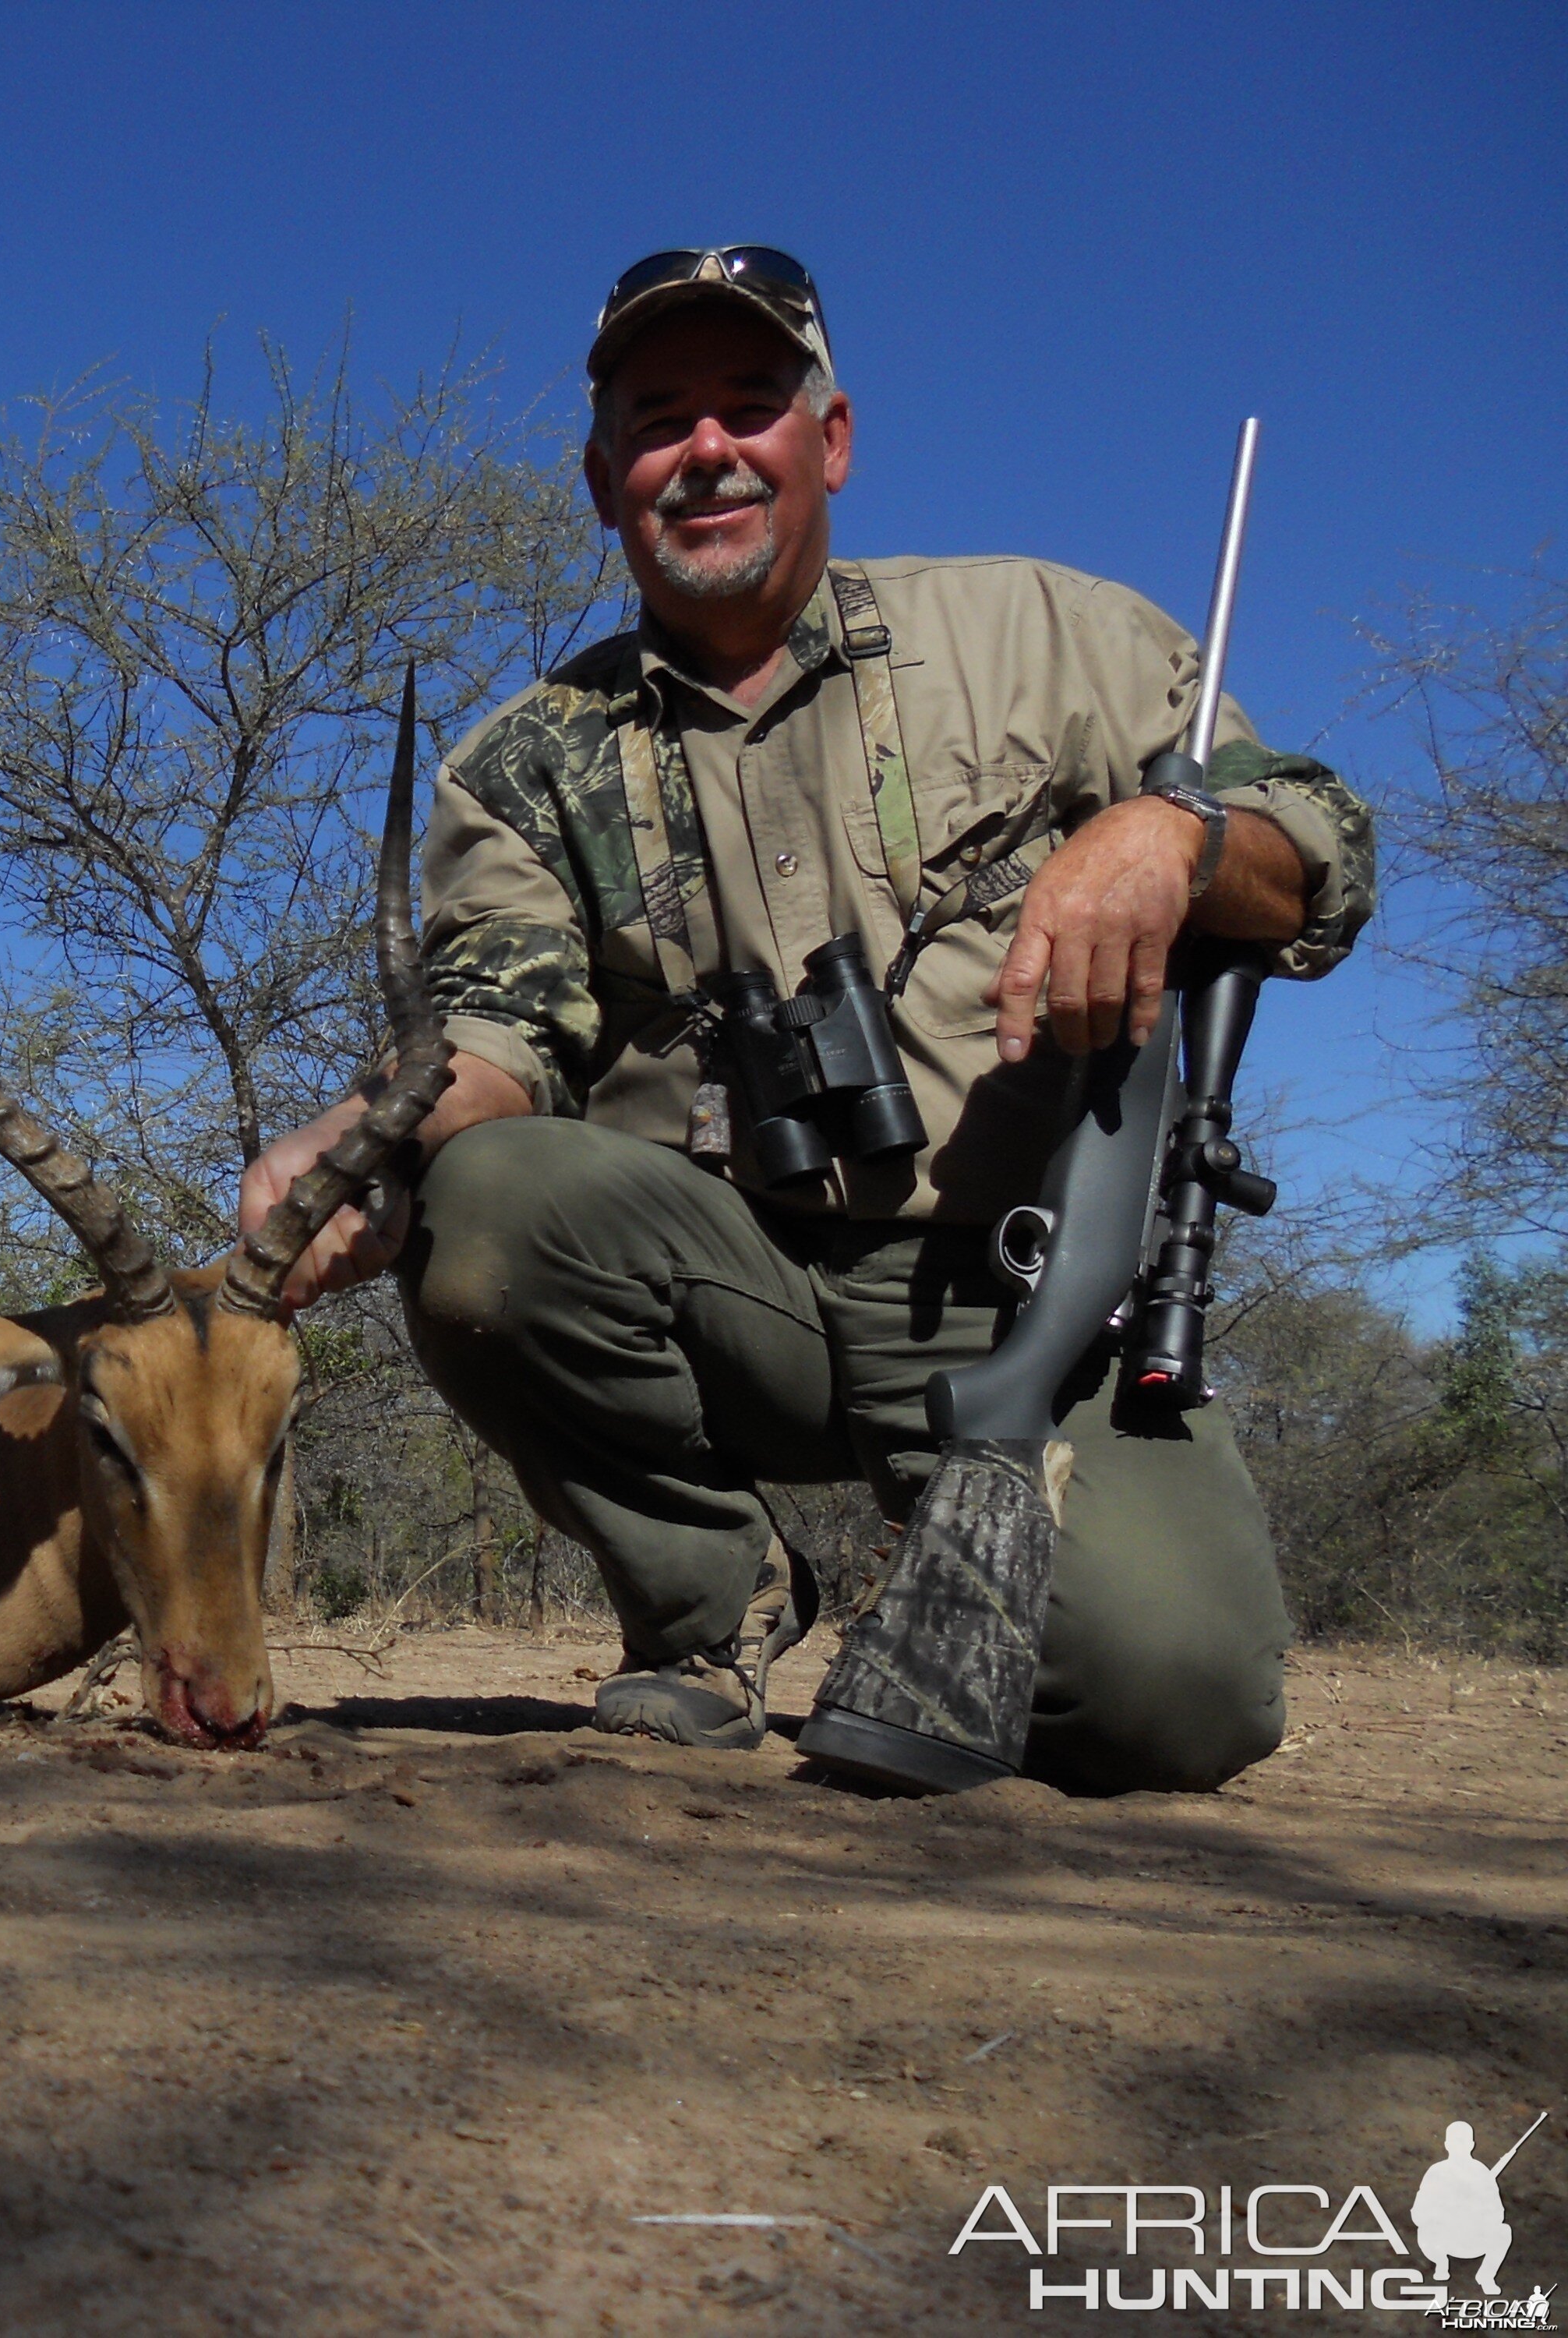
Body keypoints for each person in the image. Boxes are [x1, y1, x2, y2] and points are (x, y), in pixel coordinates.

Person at [239, 247, 1374, 1794]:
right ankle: (711, 1603)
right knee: (482, 1204)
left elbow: (1317, 848)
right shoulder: (522, 760)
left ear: (827, 441)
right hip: (735, 1288)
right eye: (655, 420)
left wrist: (1170, 835)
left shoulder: (1047, 633)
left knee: (1170, 1706)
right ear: (599, 478)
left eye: (747, 405)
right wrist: (350, 1147)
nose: (702, 449)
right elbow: (488, 1037)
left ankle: (967, 1569)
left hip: (1018, 1294)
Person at [1411, 2121, 1514, 2294]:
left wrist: (1476, 2211)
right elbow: (1418, 2213)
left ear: (1472, 2145)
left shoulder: (1482, 2173)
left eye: (1463, 2141)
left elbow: (1498, 2214)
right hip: (1443, 2240)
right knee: (1424, 2231)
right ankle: (1441, 2263)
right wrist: (1443, 2212)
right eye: (1455, 2141)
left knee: (1504, 2231)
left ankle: (1486, 2276)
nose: (1459, 2146)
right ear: (1447, 2145)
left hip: (1474, 2239)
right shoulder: (1436, 2172)